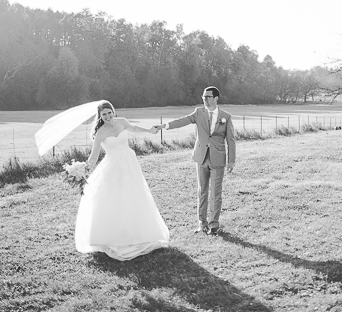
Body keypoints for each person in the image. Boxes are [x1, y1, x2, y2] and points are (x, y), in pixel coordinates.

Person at [75, 101, 170, 260]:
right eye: (104, 114)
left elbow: (134, 128)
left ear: (113, 111)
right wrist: (80, 169)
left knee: (134, 195)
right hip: (112, 167)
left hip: (129, 163)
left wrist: (149, 130)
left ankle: (136, 233)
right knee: (115, 198)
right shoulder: (100, 133)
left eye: (109, 112)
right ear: (100, 116)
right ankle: (115, 236)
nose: (107, 116)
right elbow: (94, 157)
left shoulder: (122, 122)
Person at [154, 86, 236, 235]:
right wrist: (164, 126)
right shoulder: (198, 112)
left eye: (208, 97)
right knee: (202, 192)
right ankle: (201, 224)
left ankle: (213, 225)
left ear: (216, 98)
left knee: (215, 193)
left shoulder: (226, 116)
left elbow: (231, 140)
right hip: (201, 157)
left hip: (218, 159)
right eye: (203, 97)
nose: (205, 99)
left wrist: (231, 161)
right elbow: (183, 121)